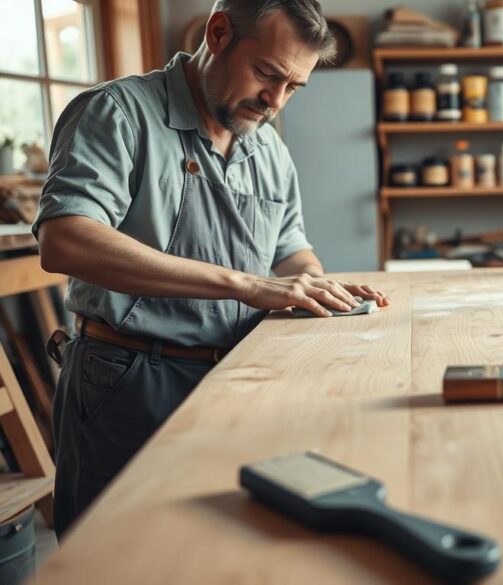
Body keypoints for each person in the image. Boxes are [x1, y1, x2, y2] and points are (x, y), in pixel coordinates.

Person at [33, 0, 388, 539]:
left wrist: (312, 283)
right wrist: (246, 285)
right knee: (117, 559)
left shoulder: (267, 148)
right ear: (218, 33)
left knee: (219, 553)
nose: (275, 101)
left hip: (238, 381)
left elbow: (289, 248)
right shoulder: (118, 112)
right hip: (129, 381)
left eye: (293, 87)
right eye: (267, 74)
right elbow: (66, 239)